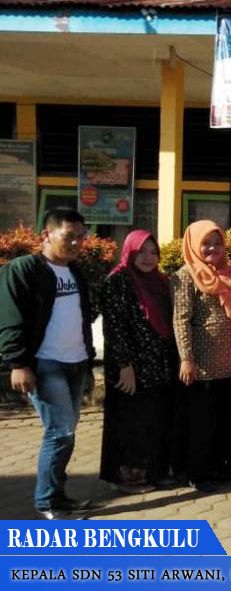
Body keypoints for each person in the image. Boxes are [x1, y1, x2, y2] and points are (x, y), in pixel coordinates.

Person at [0, 208, 95, 519]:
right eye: (70, 237)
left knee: (66, 432)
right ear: (46, 235)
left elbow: (81, 319)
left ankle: (58, 494)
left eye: (81, 237)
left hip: (77, 363)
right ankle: (47, 503)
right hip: (46, 364)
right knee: (59, 432)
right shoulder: (23, 269)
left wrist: (88, 360)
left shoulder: (75, 271)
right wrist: (18, 363)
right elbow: (10, 320)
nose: (77, 243)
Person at [99, 230, 177, 495]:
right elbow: (115, 326)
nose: (148, 257)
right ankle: (127, 477)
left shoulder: (159, 281)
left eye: (153, 252)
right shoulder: (118, 281)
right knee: (130, 424)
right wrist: (124, 365)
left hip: (158, 365)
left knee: (154, 421)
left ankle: (153, 471)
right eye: (141, 251)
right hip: (131, 368)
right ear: (129, 251)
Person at [171, 220, 231, 493]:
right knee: (201, 422)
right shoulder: (185, 275)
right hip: (200, 365)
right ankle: (196, 473)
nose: (213, 248)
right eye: (206, 243)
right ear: (193, 244)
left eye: (217, 243)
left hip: (226, 363)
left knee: (221, 421)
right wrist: (186, 358)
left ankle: (218, 467)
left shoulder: (226, 272)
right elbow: (181, 319)